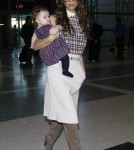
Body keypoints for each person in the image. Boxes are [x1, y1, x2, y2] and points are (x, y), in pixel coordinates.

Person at [32, 0, 90, 149]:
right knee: (69, 112)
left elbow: (81, 51)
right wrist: (50, 38)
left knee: (63, 110)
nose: (71, 1)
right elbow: (34, 45)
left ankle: (49, 141)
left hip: (76, 69)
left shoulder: (83, 20)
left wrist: (83, 73)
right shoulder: (53, 18)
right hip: (58, 67)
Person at [31, 6, 73, 78]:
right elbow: (53, 32)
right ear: (37, 20)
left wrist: (31, 45)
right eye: (45, 17)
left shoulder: (36, 30)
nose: (48, 19)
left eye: (48, 16)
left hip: (46, 50)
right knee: (65, 57)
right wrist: (59, 26)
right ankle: (65, 70)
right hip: (54, 48)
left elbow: (34, 37)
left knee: (55, 63)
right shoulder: (46, 27)